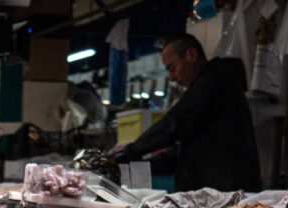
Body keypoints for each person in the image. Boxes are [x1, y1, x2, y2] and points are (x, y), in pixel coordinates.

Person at [113, 33, 263, 192]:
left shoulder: (215, 81)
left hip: (228, 194)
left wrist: (131, 152)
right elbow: (182, 152)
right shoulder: (207, 88)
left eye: (172, 68)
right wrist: (136, 165)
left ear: (191, 55)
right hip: (215, 194)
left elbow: (174, 123)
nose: (171, 78)